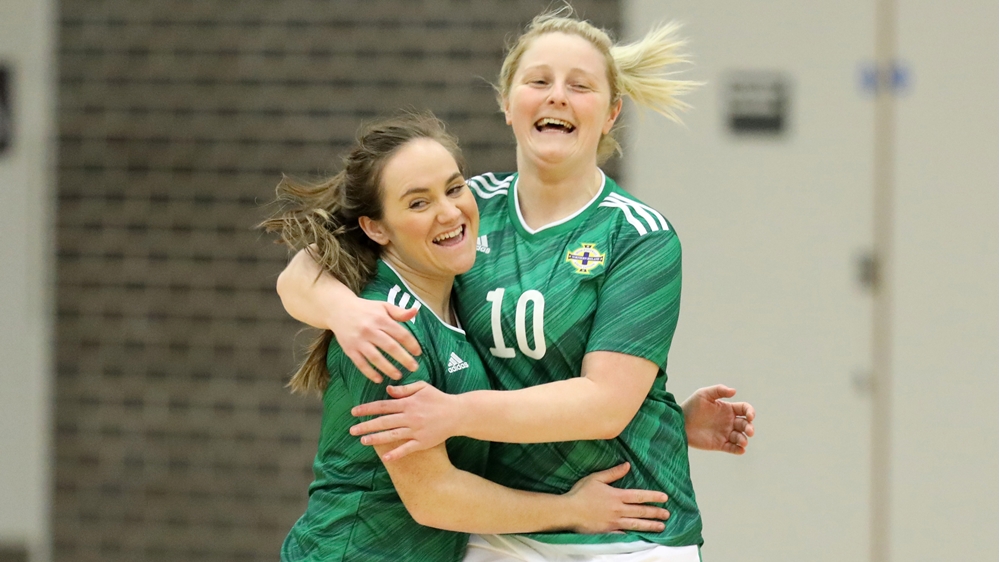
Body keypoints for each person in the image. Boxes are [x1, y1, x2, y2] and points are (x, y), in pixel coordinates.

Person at [275, 8, 756, 561]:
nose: (557, 96)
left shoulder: (637, 234)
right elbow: (312, 264)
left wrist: (658, 413)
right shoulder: (464, 209)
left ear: (611, 113)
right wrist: (345, 311)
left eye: (580, 86)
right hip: (498, 528)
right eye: (538, 81)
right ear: (506, 104)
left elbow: (606, 403)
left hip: (622, 525)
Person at [261, 113, 674, 562]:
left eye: (455, 188)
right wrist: (571, 510)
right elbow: (433, 496)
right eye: (418, 203)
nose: (449, 211)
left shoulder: (455, 289)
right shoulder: (387, 329)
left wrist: (675, 420)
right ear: (376, 227)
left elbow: (519, 389)